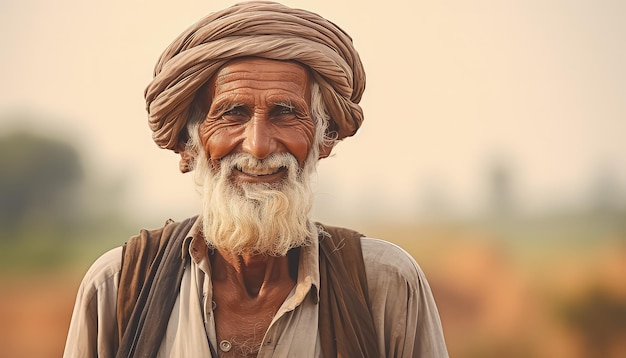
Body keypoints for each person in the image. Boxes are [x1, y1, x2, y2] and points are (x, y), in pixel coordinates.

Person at [63, 1, 448, 357]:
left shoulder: (386, 284)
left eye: (285, 113)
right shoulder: (116, 289)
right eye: (232, 114)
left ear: (323, 138)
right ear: (190, 143)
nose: (259, 146)